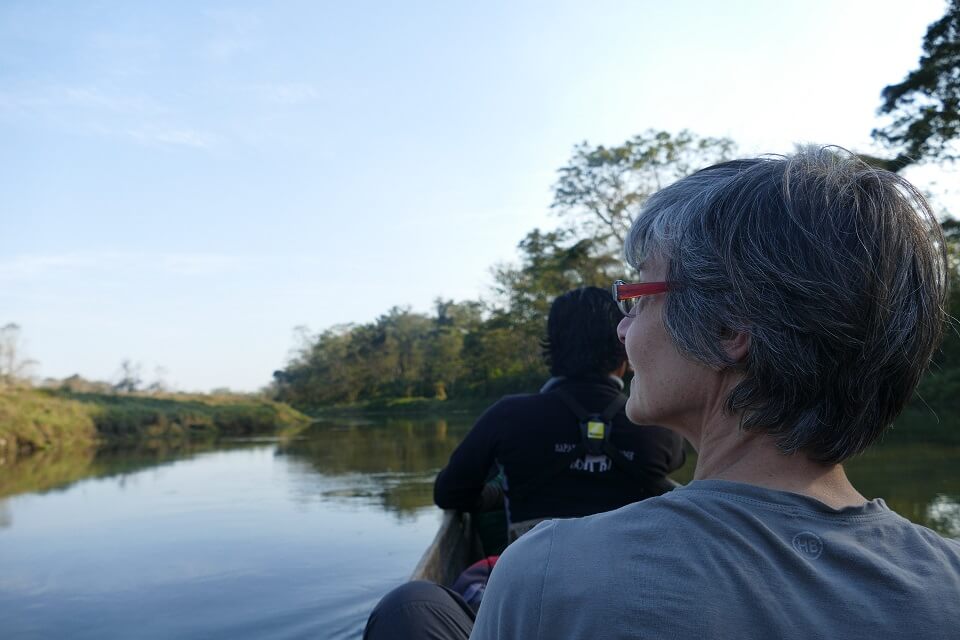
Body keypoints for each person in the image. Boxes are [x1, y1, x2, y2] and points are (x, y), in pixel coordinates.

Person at [364, 147, 960, 640]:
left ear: (730, 328)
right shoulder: (950, 579)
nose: (623, 328)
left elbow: (454, 492)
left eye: (637, 294)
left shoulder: (547, 573)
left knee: (409, 609)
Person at [433, 286, 686, 541]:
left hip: (531, 579)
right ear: (624, 349)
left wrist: (499, 495)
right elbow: (676, 461)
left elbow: (449, 493)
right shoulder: (658, 424)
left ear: (552, 348)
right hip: (627, 577)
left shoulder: (507, 416)